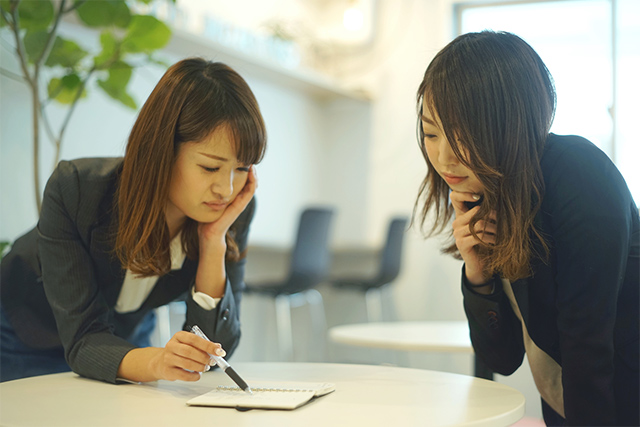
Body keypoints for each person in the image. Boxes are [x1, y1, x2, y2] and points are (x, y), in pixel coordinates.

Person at [414, 31, 638, 426]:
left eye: (463, 135)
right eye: (432, 134)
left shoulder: (580, 178)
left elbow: (588, 352)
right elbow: (500, 358)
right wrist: (478, 275)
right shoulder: (485, 192)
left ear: (510, 124)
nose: (443, 158)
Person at [0, 58, 267, 384]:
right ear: (162, 151)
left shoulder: (231, 211)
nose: (226, 189)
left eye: (242, 169)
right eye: (210, 167)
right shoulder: (76, 189)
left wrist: (213, 242)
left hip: (124, 338)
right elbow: (83, 338)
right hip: (24, 331)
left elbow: (216, 350)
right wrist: (157, 362)